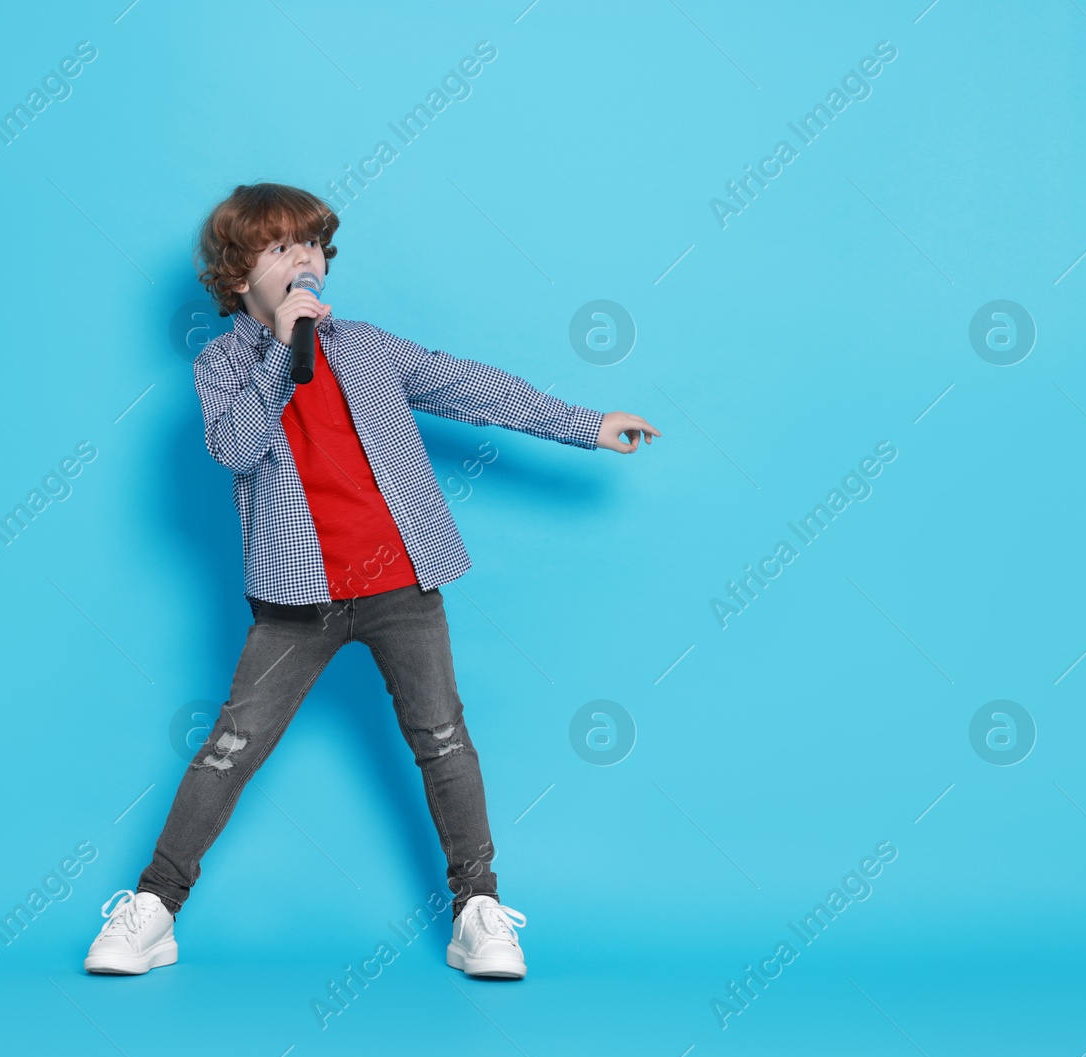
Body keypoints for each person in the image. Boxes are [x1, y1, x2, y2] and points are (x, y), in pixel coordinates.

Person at [84, 182, 660, 979]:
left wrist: (586, 425)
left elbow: (477, 387)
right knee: (230, 747)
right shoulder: (223, 366)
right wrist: (284, 359)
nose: (304, 259)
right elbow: (234, 449)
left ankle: (477, 910)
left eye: (312, 244)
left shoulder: (366, 346)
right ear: (236, 276)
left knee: (444, 738)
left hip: (400, 586)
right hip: (295, 604)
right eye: (280, 246)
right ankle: (152, 908)